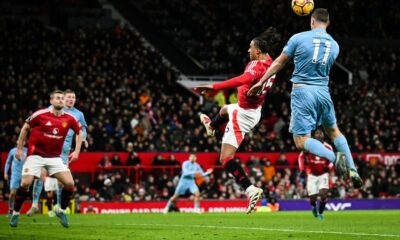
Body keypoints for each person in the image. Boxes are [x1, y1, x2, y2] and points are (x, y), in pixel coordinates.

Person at [248, 9, 362, 188]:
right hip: (324, 92)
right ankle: (352, 167)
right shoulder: (335, 45)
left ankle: (334, 157)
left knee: (301, 141)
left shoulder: (298, 38)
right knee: (334, 132)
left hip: (303, 91)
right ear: (328, 23)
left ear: (312, 21)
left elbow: (279, 62)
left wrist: (262, 82)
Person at [193, 27, 280, 213]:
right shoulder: (270, 62)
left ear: (257, 51)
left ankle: (251, 189)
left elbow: (239, 80)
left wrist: (213, 86)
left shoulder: (255, 69)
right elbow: (263, 49)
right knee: (224, 109)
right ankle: (211, 126)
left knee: (225, 158)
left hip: (243, 115)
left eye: (250, 48)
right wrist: (265, 35)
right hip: (251, 109)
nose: (248, 50)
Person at [9, 90, 83, 228]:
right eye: (58, 98)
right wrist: (19, 148)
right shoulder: (40, 115)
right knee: (25, 184)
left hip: (55, 158)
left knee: (70, 184)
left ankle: (61, 211)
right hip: (35, 156)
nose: (61, 100)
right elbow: (25, 128)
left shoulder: (70, 118)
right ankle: (15, 213)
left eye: (62, 98)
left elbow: (79, 133)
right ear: (51, 101)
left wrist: (77, 151)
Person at [27, 89, 88, 216]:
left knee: (63, 182)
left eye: (73, 97)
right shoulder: (53, 109)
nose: (71, 99)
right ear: (63, 99)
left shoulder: (79, 114)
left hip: (64, 152)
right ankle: (34, 204)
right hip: (47, 148)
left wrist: (83, 140)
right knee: (40, 176)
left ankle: (60, 208)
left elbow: (83, 130)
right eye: (69, 97)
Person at [298, 129, 332, 220]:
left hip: (323, 174)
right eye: (317, 133)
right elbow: (301, 157)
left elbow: (332, 159)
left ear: (323, 135)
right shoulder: (309, 146)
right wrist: (302, 170)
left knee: (323, 194)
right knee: (313, 198)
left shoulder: (328, 147)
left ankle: (320, 213)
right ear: (314, 136)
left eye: (321, 132)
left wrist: (328, 167)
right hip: (312, 175)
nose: (319, 134)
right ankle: (314, 207)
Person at [3, 144, 28, 217]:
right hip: (15, 175)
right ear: (18, 142)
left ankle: (16, 211)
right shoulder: (13, 151)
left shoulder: (27, 150)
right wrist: (5, 173)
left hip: (25, 174)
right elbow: (8, 162)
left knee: (21, 194)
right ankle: (10, 209)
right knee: (13, 193)